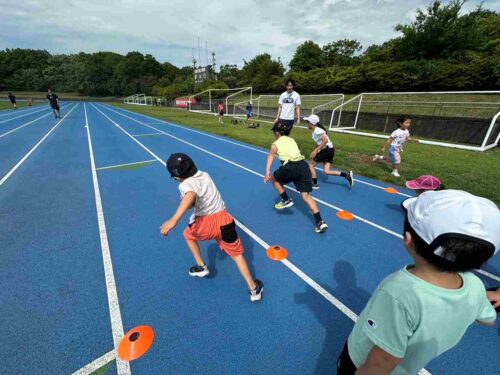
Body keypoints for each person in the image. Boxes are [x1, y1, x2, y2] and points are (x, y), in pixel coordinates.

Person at [337, 189, 499, 375]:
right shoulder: (475, 285)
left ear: (408, 240)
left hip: (360, 362)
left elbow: (384, 359)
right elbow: (488, 319)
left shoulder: (398, 292)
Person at [160, 153, 264, 302]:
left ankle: (201, 266)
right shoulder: (205, 175)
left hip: (205, 225)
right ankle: (254, 290)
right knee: (237, 255)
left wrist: (173, 220)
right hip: (224, 221)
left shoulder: (183, 185)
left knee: (187, 235)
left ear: (177, 176)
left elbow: (190, 196)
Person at [264, 122, 328, 233]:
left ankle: (286, 199)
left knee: (274, 178)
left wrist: (267, 171)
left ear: (276, 132)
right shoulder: (292, 139)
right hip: (303, 166)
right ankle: (320, 222)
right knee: (306, 196)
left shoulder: (275, 143)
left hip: (291, 166)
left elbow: (271, 155)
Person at [303, 114, 353, 189]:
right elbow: (320, 143)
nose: (307, 124)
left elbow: (325, 141)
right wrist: (315, 150)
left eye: (307, 122)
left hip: (327, 150)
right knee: (327, 171)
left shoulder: (318, 130)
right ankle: (346, 175)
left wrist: (315, 151)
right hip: (330, 150)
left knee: (311, 165)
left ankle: (314, 184)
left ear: (311, 123)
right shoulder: (316, 131)